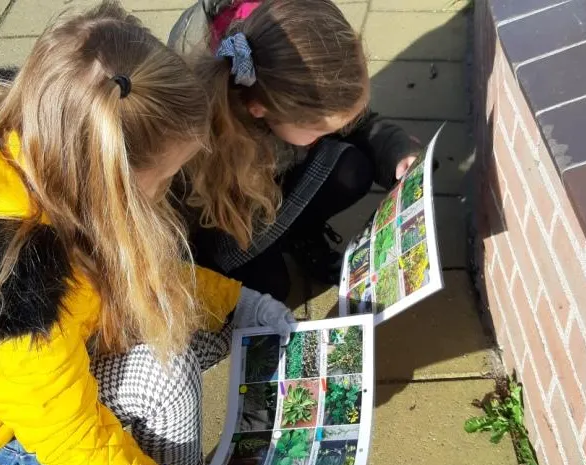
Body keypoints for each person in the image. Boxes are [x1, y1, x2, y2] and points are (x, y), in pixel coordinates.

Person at [0, 2, 291, 465]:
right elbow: (77, 440)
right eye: (168, 177)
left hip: (62, 341)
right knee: (168, 374)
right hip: (1, 428)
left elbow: (140, 270)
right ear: (114, 184)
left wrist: (243, 305)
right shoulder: (5, 298)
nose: (173, 187)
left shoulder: (56, 146)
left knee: (212, 331)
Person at [168, 0, 421, 302]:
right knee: (270, 289)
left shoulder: (296, 58)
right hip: (224, 225)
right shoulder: (195, 137)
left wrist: (396, 152)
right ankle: (281, 240)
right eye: (319, 131)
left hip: (266, 193)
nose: (334, 135)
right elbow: (184, 235)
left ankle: (297, 234)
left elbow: (357, 123)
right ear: (260, 109)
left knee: (353, 169)